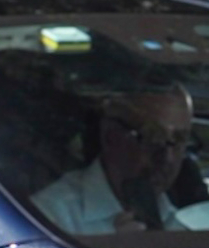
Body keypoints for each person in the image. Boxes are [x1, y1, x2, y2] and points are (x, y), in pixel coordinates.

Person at [32, 80, 209, 233]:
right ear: (111, 136)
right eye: (153, 137)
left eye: (179, 139)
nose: (167, 157)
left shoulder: (187, 219)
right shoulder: (52, 217)